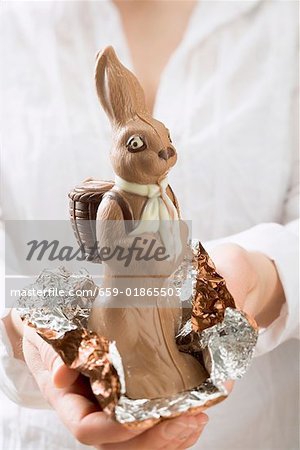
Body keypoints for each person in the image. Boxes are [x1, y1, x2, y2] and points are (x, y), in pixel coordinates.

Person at [0, 1, 299, 449]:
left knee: (161, 331)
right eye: (141, 144)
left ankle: (173, 366)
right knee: (134, 330)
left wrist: (262, 269)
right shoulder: (114, 204)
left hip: (256, 430)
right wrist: (22, 325)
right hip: (121, 298)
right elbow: (113, 254)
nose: (163, 157)